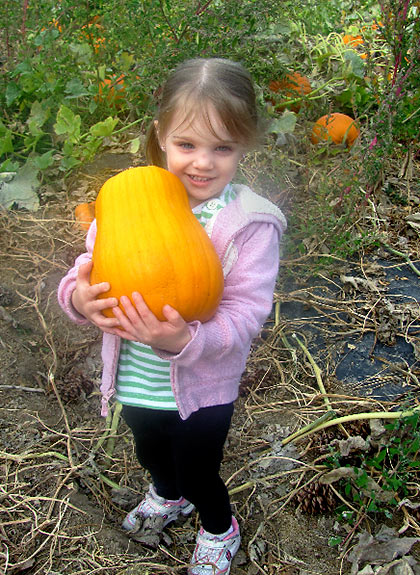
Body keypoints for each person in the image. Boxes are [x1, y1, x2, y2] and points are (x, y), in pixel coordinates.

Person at [58, 57, 286, 575]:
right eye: (187, 145)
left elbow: (246, 316)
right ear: (161, 136)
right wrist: (79, 298)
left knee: (199, 468)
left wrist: (184, 338)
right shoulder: (128, 200)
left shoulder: (249, 224)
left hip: (203, 388)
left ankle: (217, 527)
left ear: (243, 146)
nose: (202, 163)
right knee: (151, 451)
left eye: (221, 148)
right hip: (138, 383)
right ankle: (167, 495)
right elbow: (84, 273)